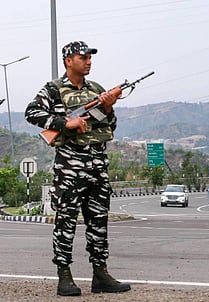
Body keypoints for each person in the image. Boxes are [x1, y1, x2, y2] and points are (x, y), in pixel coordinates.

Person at [25, 41, 131, 296]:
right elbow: (32, 112)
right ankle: (64, 275)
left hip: (98, 165)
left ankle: (100, 274)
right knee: (66, 221)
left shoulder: (97, 90)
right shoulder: (53, 89)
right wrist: (65, 122)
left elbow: (110, 126)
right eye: (82, 57)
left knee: (98, 221)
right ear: (68, 60)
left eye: (90, 57)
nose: (88, 61)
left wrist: (107, 107)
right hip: (70, 167)